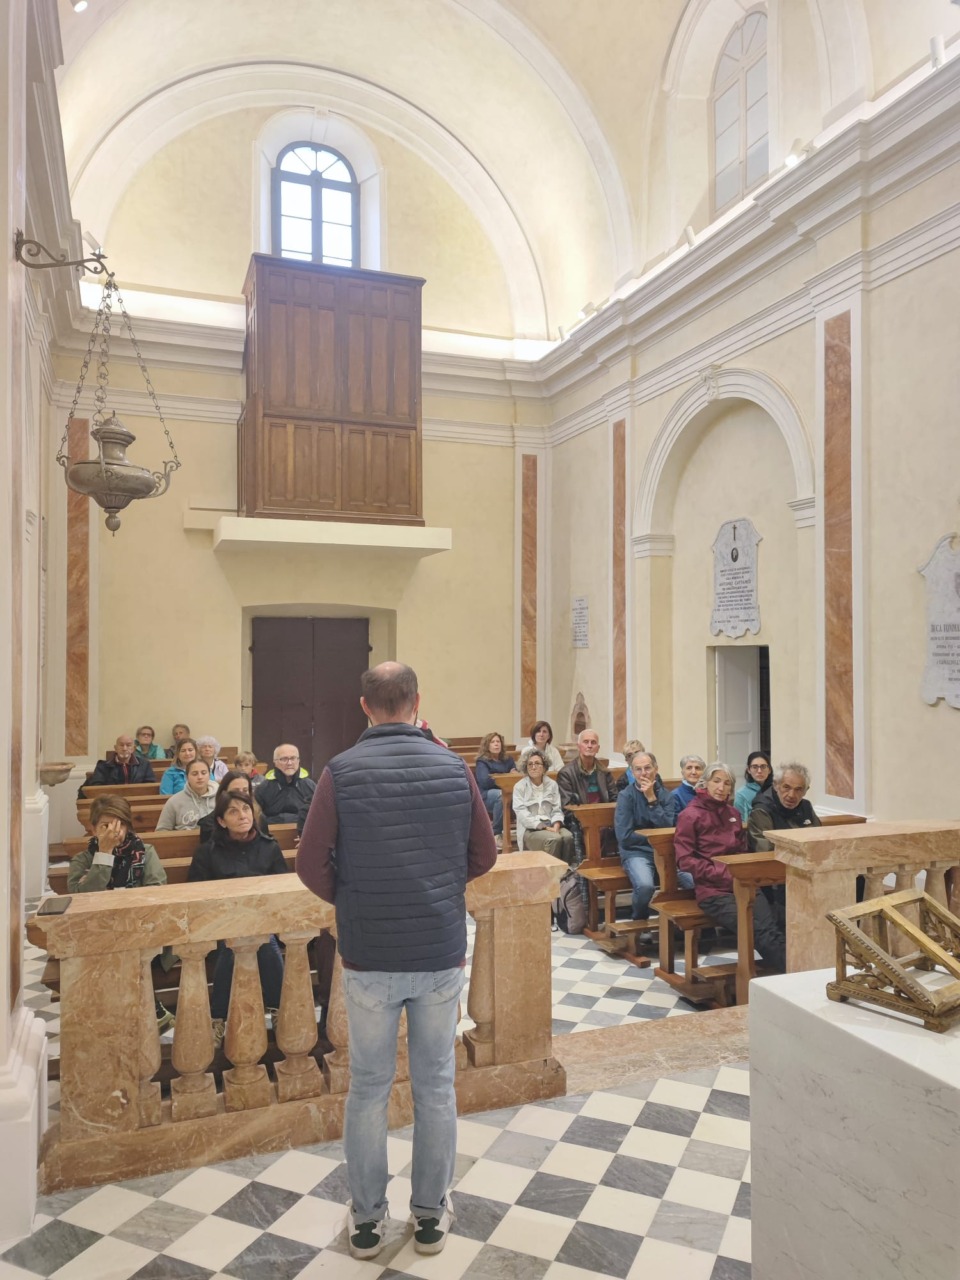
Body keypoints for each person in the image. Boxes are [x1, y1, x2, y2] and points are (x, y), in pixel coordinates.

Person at [297, 661, 497, 1260]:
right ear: (417, 701)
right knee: (435, 1086)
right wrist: (440, 887)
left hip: (370, 954)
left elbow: (309, 863)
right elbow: (484, 854)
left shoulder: (340, 771)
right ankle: (430, 1218)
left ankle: (366, 1222)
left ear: (364, 706)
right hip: (437, 949)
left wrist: (352, 898)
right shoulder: (453, 767)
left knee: (367, 1089)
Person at [188, 791, 288, 1045]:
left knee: (265, 942)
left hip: (263, 923)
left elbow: (282, 893)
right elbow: (196, 897)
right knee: (233, 945)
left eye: (245, 809)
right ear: (221, 821)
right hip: (222, 926)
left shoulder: (269, 847)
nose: (243, 815)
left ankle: (279, 1012)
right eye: (233, 811)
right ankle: (219, 1019)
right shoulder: (207, 853)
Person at [67, 794, 174, 1030]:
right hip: (98, 933)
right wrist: (104, 855)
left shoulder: (145, 852)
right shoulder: (83, 861)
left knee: (128, 947)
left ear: (127, 826)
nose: (113, 832)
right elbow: (81, 899)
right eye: (105, 826)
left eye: (119, 825)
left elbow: (157, 893)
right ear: (93, 828)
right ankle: (150, 1012)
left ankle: (143, 1015)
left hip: (141, 930)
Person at [675, 761, 786, 971]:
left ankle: (791, 972)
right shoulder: (690, 815)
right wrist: (721, 872)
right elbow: (685, 860)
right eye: (716, 781)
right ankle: (791, 973)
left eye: (727, 783)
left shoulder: (732, 813)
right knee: (756, 929)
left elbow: (742, 850)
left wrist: (742, 873)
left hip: (743, 884)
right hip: (714, 891)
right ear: (705, 783)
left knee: (772, 926)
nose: (721, 787)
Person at [613, 751, 690, 921]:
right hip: (636, 852)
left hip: (666, 853)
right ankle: (639, 919)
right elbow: (624, 836)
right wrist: (654, 839)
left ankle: (683, 923)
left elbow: (667, 828)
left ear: (656, 769)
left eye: (647, 768)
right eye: (638, 769)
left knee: (693, 881)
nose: (643, 773)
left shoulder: (666, 796)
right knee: (645, 886)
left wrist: (652, 800)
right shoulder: (626, 796)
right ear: (632, 772)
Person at [557, 729, 618, 858]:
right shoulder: (566, 773)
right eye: (586, 742)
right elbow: (566, 806)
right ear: (579, 746)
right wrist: (588, 818)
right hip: (580, 820)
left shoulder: (604, 772)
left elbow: (615, 798)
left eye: (593, 742)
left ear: (598, 748)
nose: (589, 745)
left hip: (604, 819)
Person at [512, 749, 575, 864]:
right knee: (554, 839)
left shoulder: (552, 784)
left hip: (551, 824)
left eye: (537, 763)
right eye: (530, 764)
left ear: (544, 767)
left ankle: (565, 871)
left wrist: (556, 825)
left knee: (568, 837)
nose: (533, 767)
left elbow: (557, 809)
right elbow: (522, 813)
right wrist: (543, 827)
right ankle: (549, 872)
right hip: (530, 828)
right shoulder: (519, 787)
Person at [748, 761, 821, 851]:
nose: (791, 795)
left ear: (806, 791)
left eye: (798, 789)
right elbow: (765, 850)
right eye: (786, 787)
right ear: (776, 785)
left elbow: (819, 840)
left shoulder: (806, 806)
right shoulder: (762, 810)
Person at [197, 770, 269, 842]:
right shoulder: (208, 824)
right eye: (236, 791)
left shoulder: (260, 818)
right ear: (224, 794)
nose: (241, 795)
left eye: (245, 790)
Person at [474, 732, 517, 846]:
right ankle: (496, 834)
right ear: (487, 745)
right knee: (501, 795)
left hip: (508, 791)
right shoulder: (482, 761)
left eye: (498, 741)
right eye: (493, 742)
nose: (496, 744)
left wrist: (497, 777)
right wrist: (505, 778)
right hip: (487, 795)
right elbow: (485, 782)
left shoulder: (508, 760)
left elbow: (515, 776)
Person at [79, 735, 155, 796]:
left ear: (133, 748)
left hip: (137, 801)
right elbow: (96, 787)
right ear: (115, 748)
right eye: (121, 745)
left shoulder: (144, 764)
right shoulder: (103, 766)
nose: (124, 748)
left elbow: (150, 787)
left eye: (128, 745)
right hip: (110, 803)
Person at [258, 744, 316, 823]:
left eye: (293, 758)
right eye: (284, 759)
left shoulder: (310, 786)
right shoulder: (263, 789)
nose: (289, 763)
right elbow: (257, 819)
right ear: (275, 762)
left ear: (298, 760)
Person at [156, 758, 217, 830]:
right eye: (194, 774)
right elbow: (162, 830)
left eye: (203, 773)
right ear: (187, 777)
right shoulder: (174, 802)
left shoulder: (220, 798)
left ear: (209, 775)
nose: (200, 777)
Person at [734, 750, 773, 824]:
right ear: (749, 770)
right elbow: (741, 823)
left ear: (769, 770)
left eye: (763, 766)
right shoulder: (741, 795)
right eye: (755, 767)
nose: (759, 771)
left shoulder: (775, 790)